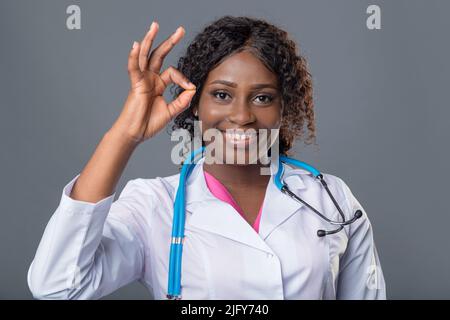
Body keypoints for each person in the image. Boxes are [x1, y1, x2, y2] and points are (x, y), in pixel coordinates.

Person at [27, 15, 386, 300]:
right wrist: (125, 134)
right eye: (221, 95)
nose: (242, 115)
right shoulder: (155, 206)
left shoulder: (332, 201)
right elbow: (58, 286)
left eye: (262, 97)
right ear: (194, 102)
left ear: (283, 108)